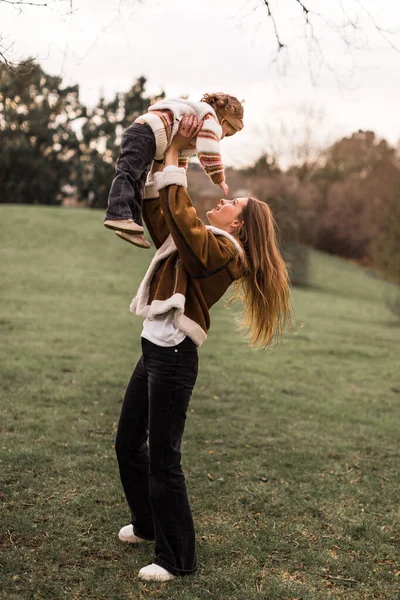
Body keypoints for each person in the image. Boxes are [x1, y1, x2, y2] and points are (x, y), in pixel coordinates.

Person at [114, 116, 294, 582]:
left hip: (174, 358)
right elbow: (166, 219)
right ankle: (149, 525)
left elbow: (186, 225)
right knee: (127, 443)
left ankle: (178, 559)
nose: (223, 200)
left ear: (241, 224)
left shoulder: (226, 250)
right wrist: (170, 156)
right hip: (154, 348)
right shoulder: (209, 241)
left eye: (233, 203)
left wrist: (177, 155)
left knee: (162, 458)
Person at [103, 93, 244, 248]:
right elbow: (209, 151)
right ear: (223, 121)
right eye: (226, 133)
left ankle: (133, 226)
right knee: (128, 173)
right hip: (146, 133)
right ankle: (116, 214)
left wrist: (177, 183)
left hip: (149, 137)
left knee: (138, 182)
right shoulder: (210, 120)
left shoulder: (197, 122)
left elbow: (180, 158)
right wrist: (219, 178)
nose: (221, 137)